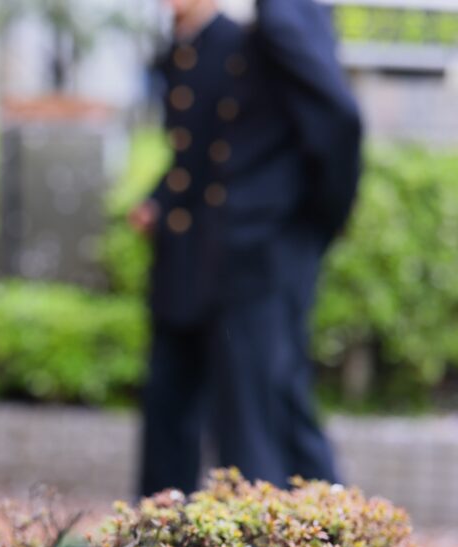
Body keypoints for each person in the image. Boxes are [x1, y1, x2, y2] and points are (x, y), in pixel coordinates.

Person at [130, 0, 363, 496]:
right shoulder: (195, 46)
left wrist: (310, 226)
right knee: (204, 407)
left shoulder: (271, 25)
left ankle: (314, 537)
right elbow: (200, 156)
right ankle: (163, 535)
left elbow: (339, 121)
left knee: (259, 416)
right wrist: (161, 201)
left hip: (259, 253)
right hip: (207, 253)